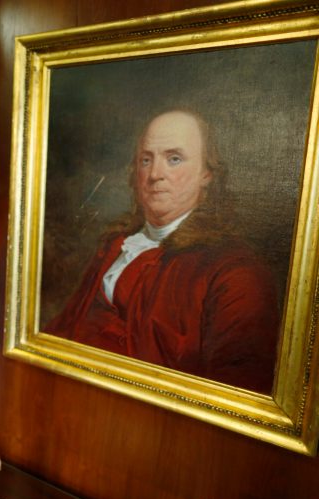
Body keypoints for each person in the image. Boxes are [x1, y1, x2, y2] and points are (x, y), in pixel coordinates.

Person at [45, 109, 279, 393]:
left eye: (174, 159)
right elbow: (63, 331)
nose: (155, 174)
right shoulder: (116, 244)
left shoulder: (235, 273)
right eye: (146, 160)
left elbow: (236, 391)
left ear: (207, 173)